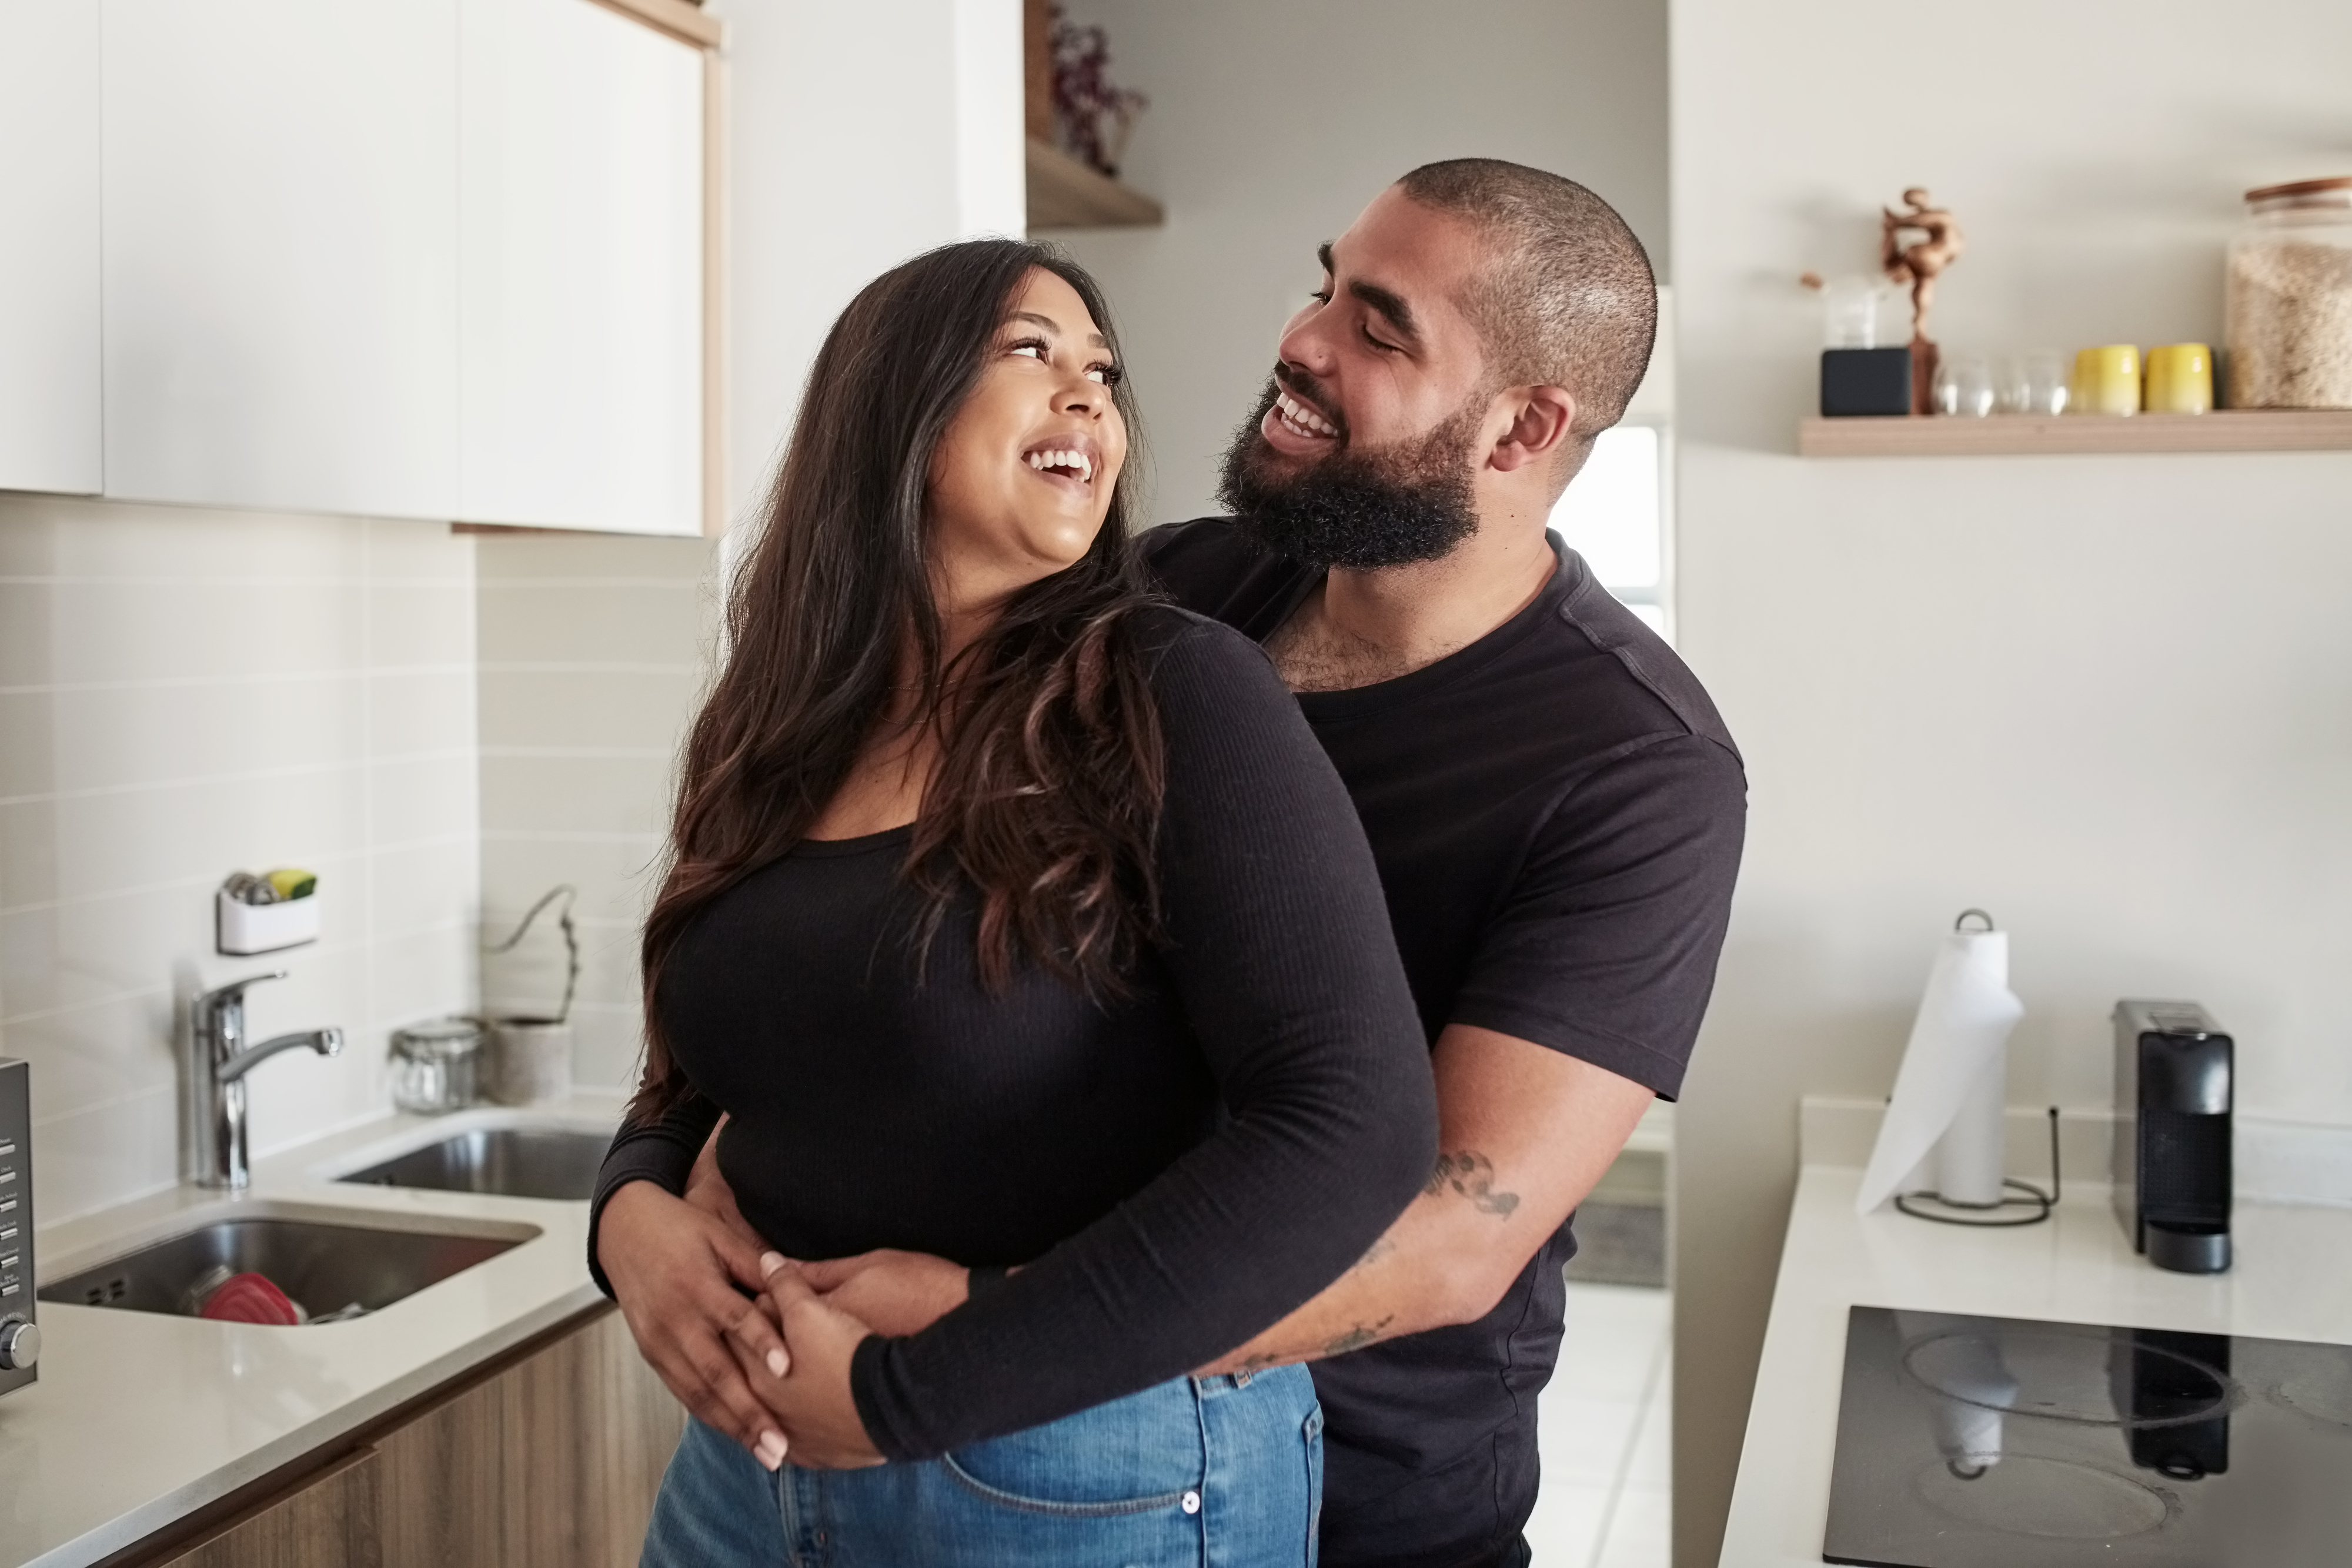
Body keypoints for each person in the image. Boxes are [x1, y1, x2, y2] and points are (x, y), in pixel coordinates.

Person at [624, 159, 1749, 1568]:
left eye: (1377, 326)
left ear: (1523, 426)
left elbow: (1451, 1232)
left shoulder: (1635, 764)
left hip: (1334, 1475)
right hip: (899, 1406)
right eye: (1323, 282)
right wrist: (648, 1202)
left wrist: (981, 1324)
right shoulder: (1163, 590)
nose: (1300, 337)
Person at [590, 238, 1439, 1566]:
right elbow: (707, 1070)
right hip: (744, 1468)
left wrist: (899, 1397)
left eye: (1100, 369)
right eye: (1030, 353)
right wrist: (627, 1211)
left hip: (1081, 1470)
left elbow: (1356, 1128)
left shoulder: (1170, 690)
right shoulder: (777, 723)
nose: (1089, 396)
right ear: (896, 405)